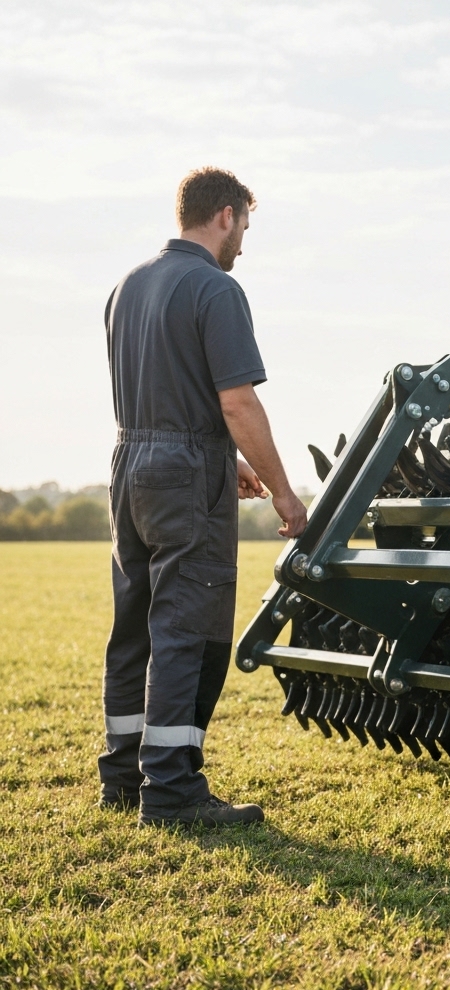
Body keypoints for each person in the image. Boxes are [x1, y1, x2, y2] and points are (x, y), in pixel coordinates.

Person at [99, 167, 307, 827]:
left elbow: (171, 389)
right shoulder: (216, 289)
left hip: (130, 466)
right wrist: (285, 494)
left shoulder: (127, 286)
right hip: (185, 477)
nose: (244, 241)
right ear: (226, 215)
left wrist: (229, 457)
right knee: (188, 628)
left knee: (133, 627)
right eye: (244, 225)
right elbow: (237, 400)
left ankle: (123, 778)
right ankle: (171, 792)